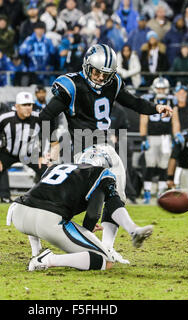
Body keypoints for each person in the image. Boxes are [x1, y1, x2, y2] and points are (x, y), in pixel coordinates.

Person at [38, 43, 172, 262]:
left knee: (118, 195)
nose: (100, 77)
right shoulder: (72, 84)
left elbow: (134, 103)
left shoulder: (114, 83)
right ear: (87, 65)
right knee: (105, 194)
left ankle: (107, 248)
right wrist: (52, 143)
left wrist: (155, 108)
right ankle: (130, 231)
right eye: (97, 72)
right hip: (85, 148)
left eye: (105, 74)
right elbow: (45, 115)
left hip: (106, 146)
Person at [7, 150, 154, 271]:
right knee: (105, 261)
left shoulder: (55, 167)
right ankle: (47, 259)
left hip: (18, 213)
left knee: (40, 207)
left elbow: (36, 197)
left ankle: (36, 251)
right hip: (47, 221)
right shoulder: (101, 173)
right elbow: (93, 214)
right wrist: (87, 231)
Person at [0, 91, 48, 218]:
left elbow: (48, 134)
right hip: (8, 153)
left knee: (48, 174)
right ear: (17, 106)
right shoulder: (6, 118)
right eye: (24, 105)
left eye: (30, 105)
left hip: (29, 154)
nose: (28, 108)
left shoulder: (38, 118)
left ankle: (49, 209)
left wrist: (43, 155)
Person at [140, 77, 176, 203]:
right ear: (154, 88)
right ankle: (147, 192)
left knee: (163, 166)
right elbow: (143, 120)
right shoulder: (148, 99)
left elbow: (175, 120)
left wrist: (176, 136)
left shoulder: (172, 101)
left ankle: (161, 192)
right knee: (150, 165)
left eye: (163, 88)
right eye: (159, 88)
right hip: (152, 137)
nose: (161, 90)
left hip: (166, 137)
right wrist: (143, 138)